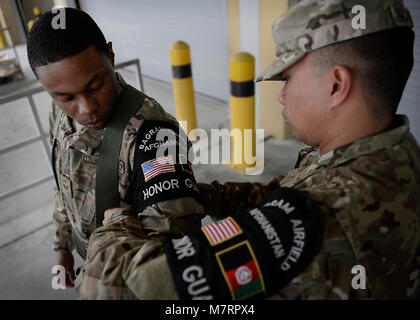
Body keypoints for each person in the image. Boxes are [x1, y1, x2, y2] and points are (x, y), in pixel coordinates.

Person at [77, 0, 420, 300]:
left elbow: (125, 288)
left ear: (336, 85)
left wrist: (116, 224)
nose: (281, 95)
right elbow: (284, 192)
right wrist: (205, 194)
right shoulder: (395, 152)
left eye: (287, 80)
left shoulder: (322, 219)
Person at [26, 8, 204, 291]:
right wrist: (64, 247)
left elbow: (173, 264)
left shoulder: (156, 137)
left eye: (96, 86)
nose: (86, 109)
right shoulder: (59, 114)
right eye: (66, 97)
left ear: (110, 55)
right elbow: (63, 183)